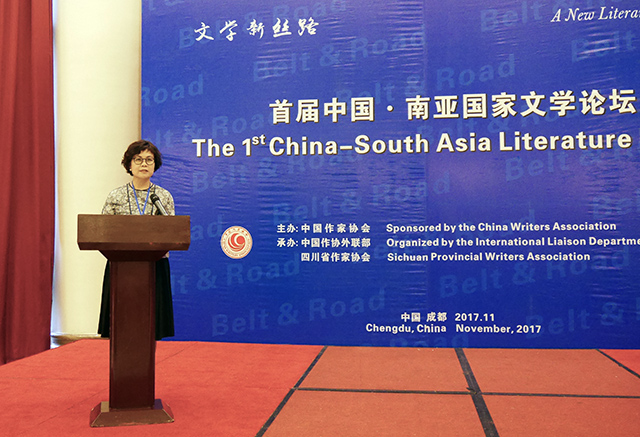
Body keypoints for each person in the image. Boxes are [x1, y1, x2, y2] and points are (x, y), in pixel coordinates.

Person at [97, 140, 176, 340]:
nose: (144, 164)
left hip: (155, 265)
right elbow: (104, 232)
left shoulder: (163, 196)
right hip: (121, 266)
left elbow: (171, 232)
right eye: (138, 159)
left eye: (149, 160)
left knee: (152, 327)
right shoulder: (116, 196)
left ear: (155, 165)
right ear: (129, 165)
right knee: (121, 325)